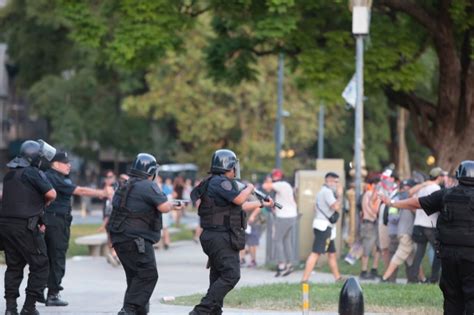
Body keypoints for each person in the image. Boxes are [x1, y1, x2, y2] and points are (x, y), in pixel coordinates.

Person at [379, 160, 474, 314]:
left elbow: (417, 203)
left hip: (448, 255)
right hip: (471, 256)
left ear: (459, 176)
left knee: (452, 296)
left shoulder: (446, 194)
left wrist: (392, 203)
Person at [189, 149, 273, 315]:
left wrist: (261, 203)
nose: (236, 170)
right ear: (228, 166)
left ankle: (214, 311)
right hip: (220, 236)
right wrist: (249, 188)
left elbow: (238, 206)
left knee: (218, 275)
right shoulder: (220, 182)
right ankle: (201, 311)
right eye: (234, 166)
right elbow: (240, 199)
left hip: (217, 235)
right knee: (231, 275)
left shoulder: (215, 182)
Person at [108, 153, 182, 315]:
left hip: (120, 238)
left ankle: (139, 310)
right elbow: (163, 207)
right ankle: (128, 309)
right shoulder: (148, 185)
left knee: (135, 277)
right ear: (151, 172)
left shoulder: (125, 184)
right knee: (148, 274)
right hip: (137, 240)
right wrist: (172, 205)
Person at [42, 151, 107, 307]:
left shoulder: (46, 175)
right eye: (66, 162)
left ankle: (38, 292)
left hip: (47, 220)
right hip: (57, 222)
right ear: (56, 164)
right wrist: (103, 193)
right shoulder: (56, 178)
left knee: (46, 258)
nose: (69, 165)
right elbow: (81, 191)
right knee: (57, 257)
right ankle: (53, 294)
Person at [0, 139, 57, 315]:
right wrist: (43, 205)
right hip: (25, 227)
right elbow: (52, 194)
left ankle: (11, 308)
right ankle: (29, 307)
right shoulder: (32, 172)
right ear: (34, 158)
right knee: (40, 265)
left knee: (14, 266)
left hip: (6, 227)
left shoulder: (9, 174)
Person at [301, 172, 344, 282]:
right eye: (336, 182)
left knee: (332, 254)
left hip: (326, 226)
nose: (337, 185)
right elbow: (336, 207)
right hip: (324, 227)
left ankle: (337, 277)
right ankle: (304, 279)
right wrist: (340, 195)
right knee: (316, 253)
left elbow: (315, 208)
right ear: (329, 181)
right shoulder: (327, 192)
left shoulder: (322, 192)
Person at [410, 167, 446, 283]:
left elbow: (414, 202)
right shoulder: (436, 188)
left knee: (419, 253)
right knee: (438, 251)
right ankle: (434, 278)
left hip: (419, 223)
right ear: (439, 177)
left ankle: (413, 278)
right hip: (430, 225)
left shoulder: (423, 188)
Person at [262, 168, 298, 276]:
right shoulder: (285, 185)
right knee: (286, 239)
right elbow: (280, 202)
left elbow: (265, 187)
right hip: (291, 216)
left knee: (277, 239)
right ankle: (290, 264)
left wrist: (268, 180)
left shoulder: (281, 184)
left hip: (284, 217)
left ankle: (281, 265)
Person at [380, 179, 417, 282]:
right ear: (400, 189)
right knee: (396, 256)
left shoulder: (410, 200)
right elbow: (392, 217)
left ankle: (413, 280)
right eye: (404, 189)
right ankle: (390, 280)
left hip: (406, 232)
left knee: (409, 257)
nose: (406, 191)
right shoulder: (396, 199)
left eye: (408, 189)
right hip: (396, 233)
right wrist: (401, 210)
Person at [359, 182, 381, 280]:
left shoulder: (370, 193)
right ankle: (364, 271)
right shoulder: (369, 194)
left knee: (378, 247)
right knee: (367, 247)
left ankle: (373, 269)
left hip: (374, 223)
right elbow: (371, 206)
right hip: (369, 224)